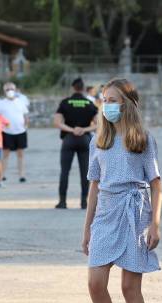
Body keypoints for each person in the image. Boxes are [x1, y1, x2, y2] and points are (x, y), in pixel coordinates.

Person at [83, 78, 162, 303]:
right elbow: (93, 185)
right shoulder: (97, 139)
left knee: (130, 288)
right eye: (104, 100)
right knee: (95, 283)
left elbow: (156, 183)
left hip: (135, 210)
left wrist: (155, 224)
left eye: (114, 100)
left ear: (128, 104)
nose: (108, 106)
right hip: (105, 212)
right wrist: (87, 228)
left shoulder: (142, 138)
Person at [53, 77, 98, 209]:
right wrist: (84, 129)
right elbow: (99, 124)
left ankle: (62, 201)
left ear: (72, 88)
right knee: (85, 172)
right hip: (85, 139)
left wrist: (72, 129)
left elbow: (57, 122)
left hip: (69, 139)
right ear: (83, 89)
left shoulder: (65, 103)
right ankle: (84, 202)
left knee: (65, 171)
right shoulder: (89, 104)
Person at [0, 82, 29, 182]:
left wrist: (26, 125)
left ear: (15, 90)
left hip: (20, 131)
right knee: (5, 154)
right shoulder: (1, 103)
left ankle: (22, 175)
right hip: (6, 132)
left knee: (21, 154)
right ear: (4, 91)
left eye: (11, 89)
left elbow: (26, 115)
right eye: (7, 89)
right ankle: (2, 175)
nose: (10, 91)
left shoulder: (21, 101)